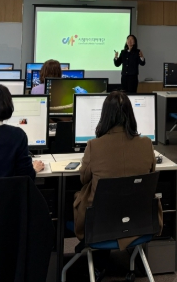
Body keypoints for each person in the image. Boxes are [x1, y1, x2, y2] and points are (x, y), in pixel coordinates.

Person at [73, 91, 161, 252]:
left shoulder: (94, 145)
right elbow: (151, 173)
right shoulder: (147, 144)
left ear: (105, 116)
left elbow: (83, 178)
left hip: (100, 224)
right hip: (139, 221)